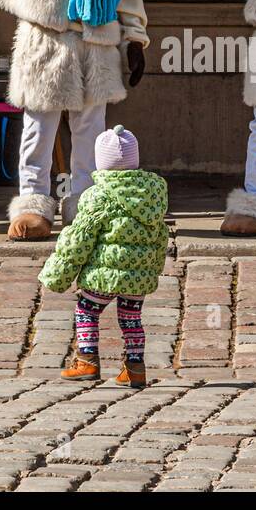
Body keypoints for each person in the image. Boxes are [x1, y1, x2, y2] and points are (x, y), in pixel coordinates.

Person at [37, 125, 168, 388]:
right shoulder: (153, 194)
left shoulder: (97, 196)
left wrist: (58, 272)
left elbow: (79, 239)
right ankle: (135, 368)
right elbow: (160, 236)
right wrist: (153, 269)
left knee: (86, 310)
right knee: (131, 318)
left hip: (102, 275)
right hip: (137, 276)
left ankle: (86, 361)